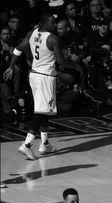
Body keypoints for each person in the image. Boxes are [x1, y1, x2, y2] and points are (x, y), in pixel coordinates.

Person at [3, 11, 83, 161]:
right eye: (52, 22)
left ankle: (45, 143)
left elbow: (18, 48)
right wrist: (75, 66)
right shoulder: (53, 39)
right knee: (41, 111)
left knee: (44, 109)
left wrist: (11, 66)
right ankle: (26, 145)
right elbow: (60, 62)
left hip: (34, 75)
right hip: (45, 77)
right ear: (45, 23)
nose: (55, 24)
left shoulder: (32, 33)